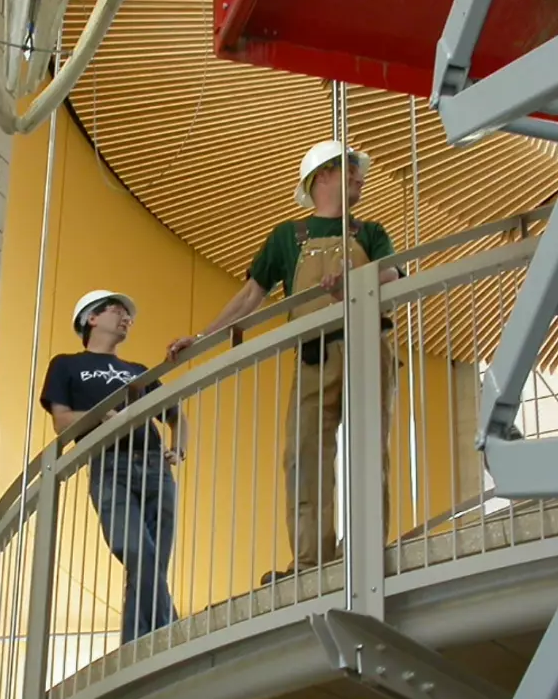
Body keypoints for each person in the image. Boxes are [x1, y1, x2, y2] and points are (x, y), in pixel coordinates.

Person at [167, 141, 400, 584]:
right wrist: (201, 338)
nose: (359, 177)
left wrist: (352, 280)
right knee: (303, 455)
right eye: (351, 169)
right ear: (324, 175)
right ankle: (311, 561)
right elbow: (251, 295)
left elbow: (391, 274)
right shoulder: (288, 237)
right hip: (312, 354)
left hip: (368, 347)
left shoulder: (370, 231)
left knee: (369, 449)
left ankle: (367, 547)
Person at [41, 290, 188, 643]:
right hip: (110, 466)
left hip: (154, 466)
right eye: (116, 310)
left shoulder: (137, 371)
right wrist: (98, 417)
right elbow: (61, 422)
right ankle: (170, 632)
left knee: (151, 562)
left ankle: (136, 645)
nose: (126, 318)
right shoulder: (67, 364)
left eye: (128, 314)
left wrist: (178, 447)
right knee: (137, 549)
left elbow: (174, 413)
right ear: (91, 318)